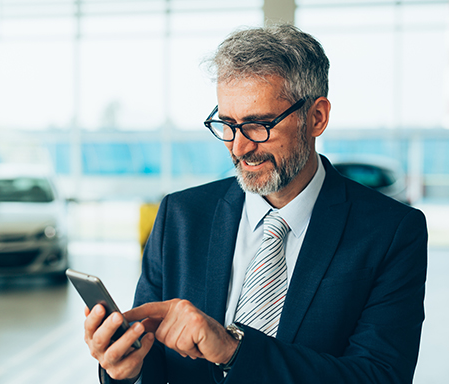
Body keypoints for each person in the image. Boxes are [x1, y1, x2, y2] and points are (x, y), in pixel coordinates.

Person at [84, 24, 428, 384]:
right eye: (228, 124)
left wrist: (234, 351)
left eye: (259, 125)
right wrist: (127, 370)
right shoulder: (180, 218)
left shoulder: (391, 231)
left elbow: (380, 376)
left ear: (317, 117)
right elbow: (152, 362)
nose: (238, 147)